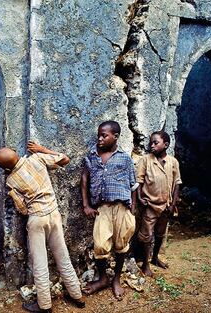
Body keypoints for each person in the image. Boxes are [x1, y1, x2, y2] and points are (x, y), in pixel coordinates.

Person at [0, 142, 85, 313]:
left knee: (40, 263)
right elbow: (65, 159)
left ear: (3, 168)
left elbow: (22, 209)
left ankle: (45, 305)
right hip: (54, 214)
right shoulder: (37, 158)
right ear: (15, 153)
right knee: (63, 256)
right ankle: (77, 296)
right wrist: (43, 149)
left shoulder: (11, 181)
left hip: (36, 219)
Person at [81, 120, 137, 300]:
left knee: (121, 245)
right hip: (102, 208)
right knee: (100, 244)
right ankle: (103, 278)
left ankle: (116, 279)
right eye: (99, 135)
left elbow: (133, 185)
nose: (100, 138)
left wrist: (132, 208)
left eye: (104, 135)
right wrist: (86, 205)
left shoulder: (125, 158)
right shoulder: (91, 156)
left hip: (122, 207)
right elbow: (84, 181)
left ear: (115, 137)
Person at [136, 131, 182, 277]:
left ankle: (155, 257)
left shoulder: (173, 162)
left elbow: (177, 184)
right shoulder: (146, 160)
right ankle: (145, 264)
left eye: (156, 143)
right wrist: (140, 198)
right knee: (146, 235)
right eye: (151, 143)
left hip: (166, 206)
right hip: (150, 205)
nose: (152, 145)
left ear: (166, 145)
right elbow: (139, 181)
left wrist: (173, 203)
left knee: (160, 233)